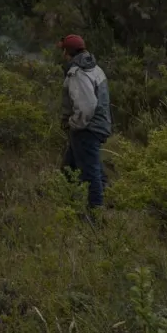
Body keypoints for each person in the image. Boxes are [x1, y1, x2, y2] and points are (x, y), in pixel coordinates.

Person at [58, 34, 112, 209]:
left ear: (68, 52)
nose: (62, 54)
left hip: (86, 128)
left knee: (90, 172)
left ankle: (96, 213)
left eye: (63, 50)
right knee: (70, 167)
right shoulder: (96, 69)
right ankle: (68, 203)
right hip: (98, 125)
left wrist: (74, 124)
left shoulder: (78, 73)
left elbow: (86, 107)